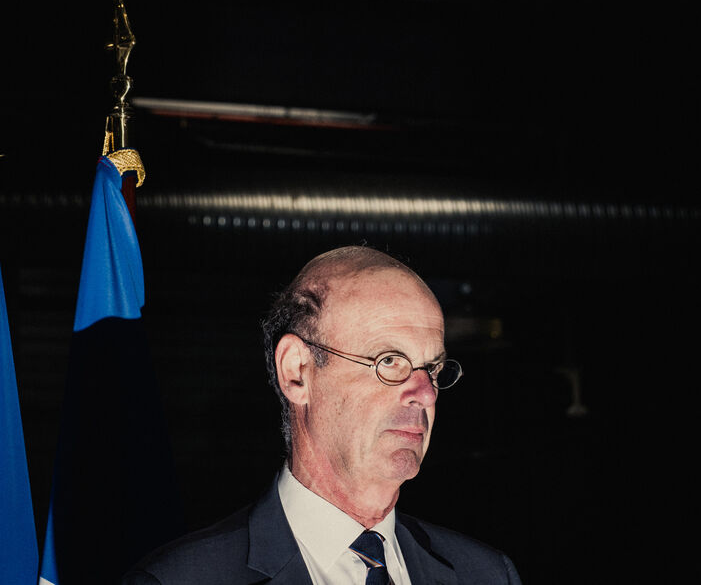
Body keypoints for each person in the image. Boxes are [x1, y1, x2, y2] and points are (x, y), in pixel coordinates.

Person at [122, 245, 522, 584]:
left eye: (432, 368)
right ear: (297, 372)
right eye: (388, 360)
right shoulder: (182, 578)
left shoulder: (486, 574)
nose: (426, 393)